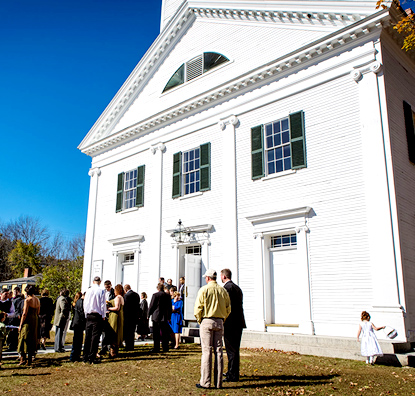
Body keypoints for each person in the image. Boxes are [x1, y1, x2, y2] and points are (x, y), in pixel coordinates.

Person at [194, 269, 231, 390]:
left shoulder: (204, 290)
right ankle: (218, 382)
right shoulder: (223, 290)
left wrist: (200, 320)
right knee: (219, 351)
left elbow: (198, 308)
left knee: (206, 351)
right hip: (219, 321)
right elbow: (228, 308)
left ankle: (206, 381)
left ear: (208, 278)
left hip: (207, 320)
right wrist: (222, 318)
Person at [220, 268, 246, 382]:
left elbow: (226, 307)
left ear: (224, 276)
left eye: (221, 276)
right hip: (238, 322)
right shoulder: (237, 288)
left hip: (231, 322)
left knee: (231, 349)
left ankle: (233, 375)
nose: (220, 278)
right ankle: (232, 370)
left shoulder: (227, 289)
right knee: (234, 349)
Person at [83, 276, 106, 364]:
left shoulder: (88, 290)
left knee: (88, 336)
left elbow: (85, 303)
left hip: (89, 314)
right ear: (100, 282)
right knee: (95, 337)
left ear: (93, 282)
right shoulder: (101, 291)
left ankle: (85, 356)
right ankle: (92, 357)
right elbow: (102, 304)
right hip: (97, 315)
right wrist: (103, 315)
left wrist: (86, 313)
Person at [17, 285, 40, 366]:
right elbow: (38, 312)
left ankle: (22, 359)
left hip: (28, 320)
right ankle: (30, 359)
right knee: (32, 338)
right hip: (35, 320)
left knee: (24, 337)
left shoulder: (27, 300)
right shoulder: (37, 300)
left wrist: (20, 325)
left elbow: (24, 313)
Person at [148, 283, 172, 353]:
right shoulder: (167, 296)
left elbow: (152, 305)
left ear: (158, 288)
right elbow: (169, 307)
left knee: (156, 333)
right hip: (164, 316)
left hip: (156, 316)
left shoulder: (155, 295)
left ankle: (156, 347)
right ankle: (165, 347)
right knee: (164, 332)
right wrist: (169, 316)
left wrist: (148, 314)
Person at [107, 284, 124, 357]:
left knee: (114, 332)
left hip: (115, 316)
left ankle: (112, 352)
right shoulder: (122, 298)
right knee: (118, 332)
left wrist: (108, 308)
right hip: (120, 316)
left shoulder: (118, 298)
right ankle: (116, 351)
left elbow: (117, 308)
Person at [99, 280, 115, 356]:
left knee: (110, 331)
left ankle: (110, 347)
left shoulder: (113, 292)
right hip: (104, 313)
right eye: (106, 287)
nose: (107, 288)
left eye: (108, 287)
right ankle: (103, 347)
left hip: (110, 312)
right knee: (103, 332)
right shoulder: (103, 292)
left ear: (110, 285)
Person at [123, 284, 141, 351]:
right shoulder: (136, 295)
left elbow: (126, 307)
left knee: (128, 332)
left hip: (128, 316)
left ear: (125, 289)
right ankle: (131, 345)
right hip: (135, 316)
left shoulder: (126, 296)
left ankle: (128, 346)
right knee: (132, 331)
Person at [69, 292, 85, 362]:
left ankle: (75, 355)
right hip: (79, 323)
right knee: (77, 340)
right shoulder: (81, 302)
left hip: (77, 323)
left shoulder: (78, 302)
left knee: (77, 339)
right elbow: (81, 313)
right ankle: (74, 356)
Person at [53, 288, 70, 353]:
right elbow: (63, 309)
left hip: (59, 318)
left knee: (58, 333)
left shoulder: (59, 298)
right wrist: (63, 317)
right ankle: (58, 348)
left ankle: (58, 347)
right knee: (59, 334)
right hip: (61, 319)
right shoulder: (62, 299)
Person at [7, 287, 24, 351]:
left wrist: (17, 315)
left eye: (16, 292)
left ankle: (13, 346)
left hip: (15, 318)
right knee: (11, 333)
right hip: (12, 318)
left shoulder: (19, 299)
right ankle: (10, 344)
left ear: (18, 292)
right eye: (14, 292)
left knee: (14, 333)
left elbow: (17, 309)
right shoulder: (13, 299)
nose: (14, 293)